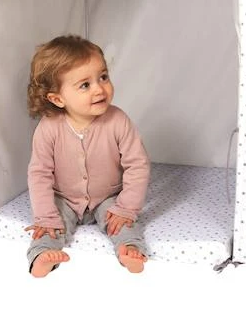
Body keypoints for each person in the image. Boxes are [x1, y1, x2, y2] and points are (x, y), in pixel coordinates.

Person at [24, 34, 151, 277]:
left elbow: (138, 165)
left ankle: (130, 250)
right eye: (85, 85)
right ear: (58, 99)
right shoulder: (48, 128)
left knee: (122, 223)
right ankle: (42, 256)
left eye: (103, 77)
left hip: (108, 197)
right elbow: (39, 173)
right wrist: (45, 216)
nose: (99, 89)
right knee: (50, 228)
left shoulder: (118, 120)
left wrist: (126, 207)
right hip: (65, 198)